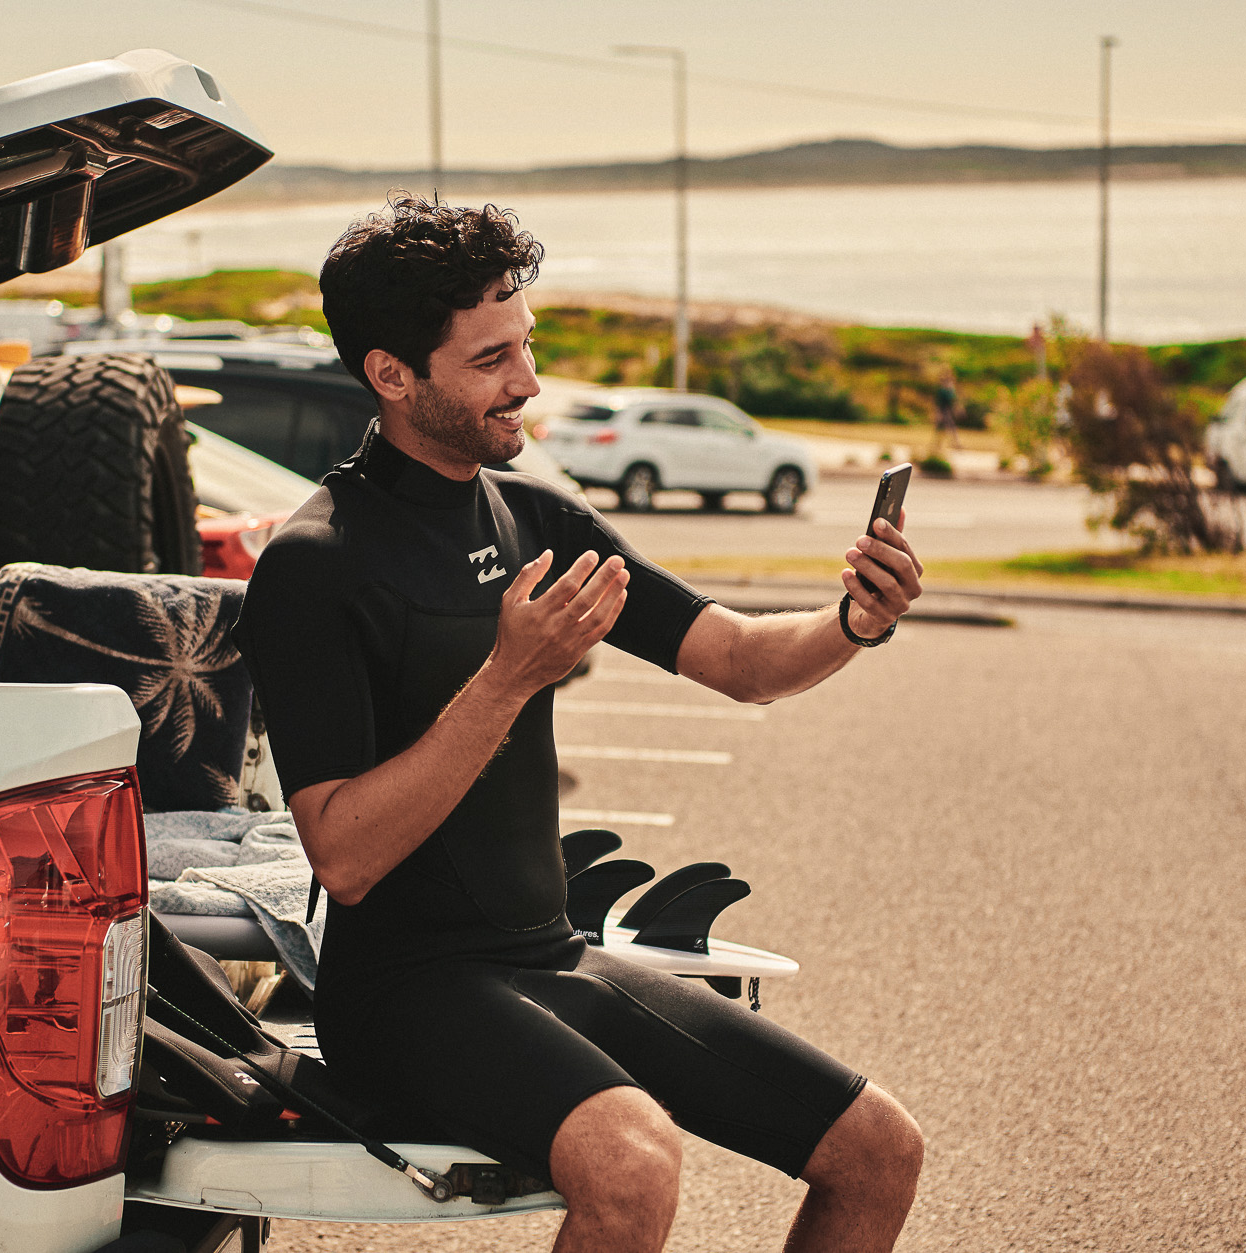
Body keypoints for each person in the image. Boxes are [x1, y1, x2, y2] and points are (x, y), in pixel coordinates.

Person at [234, 197, 925, 1253]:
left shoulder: (536, 518)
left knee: (877, 1149)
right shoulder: (316, 563)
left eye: (526, 345)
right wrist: (507, 678)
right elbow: (344, 856)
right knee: (632, 1162)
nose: (528, 381)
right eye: (490, 359)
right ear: (391, 375)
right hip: (403, 995)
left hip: (550, 958)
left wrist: (852, 622)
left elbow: (738, 659)